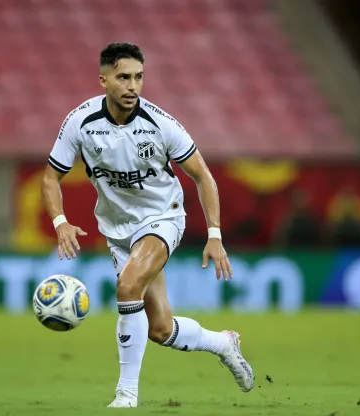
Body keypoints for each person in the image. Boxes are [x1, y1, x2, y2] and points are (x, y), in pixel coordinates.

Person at [41, 42, 255, 408]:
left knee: (127, 286)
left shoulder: (160, 124)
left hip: (163, 217)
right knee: (160, 329)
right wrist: (60, 222)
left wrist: (214, 235)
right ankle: (223, 343)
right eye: (123, 77)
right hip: (118, 230)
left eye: (138, 77)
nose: (132, 86)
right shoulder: (80, 122)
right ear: (103, 80)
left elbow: (203, 176)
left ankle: (126, 394)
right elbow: (50, 179)